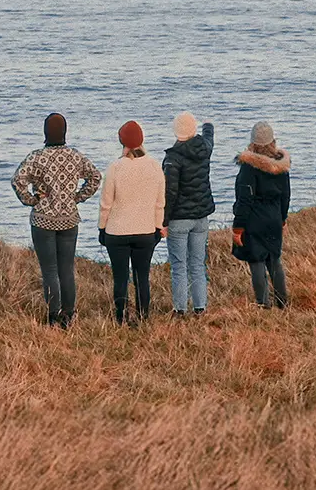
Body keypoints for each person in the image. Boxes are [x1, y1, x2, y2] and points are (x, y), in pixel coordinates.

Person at [12, 113, 102, 328]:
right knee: (66, 269)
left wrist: (31, 200)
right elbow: (95, 177)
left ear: (45, 132)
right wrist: (77, 198)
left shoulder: (36, 157)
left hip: (43, 219)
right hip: (69, 218)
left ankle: (54, 315)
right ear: (64, 132)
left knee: (50, 270)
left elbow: (17, 180)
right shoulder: (75, 156)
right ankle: (69, 315)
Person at [98, 120, 166, 324]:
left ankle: (121, 318)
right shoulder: (154, 166)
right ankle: (144, 317)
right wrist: (157, 226)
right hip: (145, 230)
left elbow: (106, 203)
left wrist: (102, 227)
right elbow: (159, 202)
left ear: (122, 142)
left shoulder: (115, 167)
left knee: (120, 278)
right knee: (142, 277)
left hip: (117, 231)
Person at [232, 121, 292, 309]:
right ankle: (282, 303)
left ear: (253, 143)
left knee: (257, 260)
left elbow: (244, 200)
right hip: (274, 219)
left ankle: (263, 304)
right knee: (274, 259)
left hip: (254, 220)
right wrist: (282, 219)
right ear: (272, 141)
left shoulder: (249, 168)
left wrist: (238, 227)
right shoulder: (281, 167)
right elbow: (286, 195)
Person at [163, 111, 215, 316]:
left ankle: (180, 309)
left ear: (176, 131)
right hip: (201, 217)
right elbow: (209, 138)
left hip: (179, 219)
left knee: (179, 265)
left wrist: (163, 221)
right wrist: (209, 125)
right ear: (194, 130)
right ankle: (200, 307)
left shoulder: (172, 158)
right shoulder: (205, 149)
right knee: (197, 264)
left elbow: (170, 193)